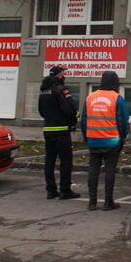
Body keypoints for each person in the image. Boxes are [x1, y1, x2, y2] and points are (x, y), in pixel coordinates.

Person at [80, 70, 128, 211]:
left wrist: (86, 137)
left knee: (93, 170)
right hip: (112, 141)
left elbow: (83, 121)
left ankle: (92, 202)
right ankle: (108, 202)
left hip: (93, 140)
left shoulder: (90, 98)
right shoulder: (117, 98)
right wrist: (123, 138)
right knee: (109, 170)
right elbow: (123, 122)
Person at [38, 65, 80, 200]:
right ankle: (65, 190)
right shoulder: (61, 90)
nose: (64, 76)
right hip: (62, 132)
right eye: (63, 74)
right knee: (66, 161)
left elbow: (41, 112)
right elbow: (69, 109)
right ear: (59, 76)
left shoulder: (43, 91)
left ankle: (51, 190)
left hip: (48, 131)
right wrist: (75, 117)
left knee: (49, 161)